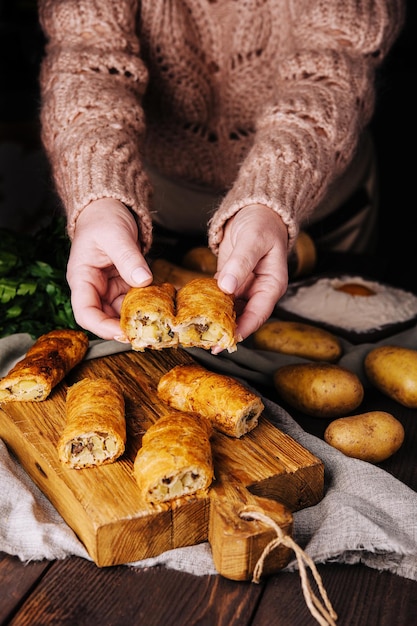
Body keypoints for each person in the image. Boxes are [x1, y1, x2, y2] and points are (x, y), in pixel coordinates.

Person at [37, 0, 405, 345]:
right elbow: (88, 61)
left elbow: (330, 69)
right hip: (151, 204)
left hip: (315, 193)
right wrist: (100, 193)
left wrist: (273, 194)